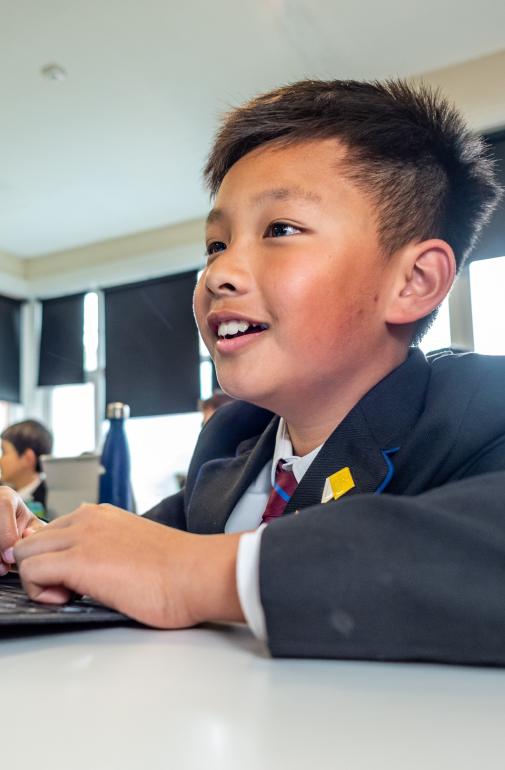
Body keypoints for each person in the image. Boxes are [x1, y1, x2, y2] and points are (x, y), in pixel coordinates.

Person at [1, 79, 504, 664]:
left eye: (280, 230)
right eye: (215, 245)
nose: (219, 275)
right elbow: (131, 551)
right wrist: (28, 538)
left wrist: (197, 573)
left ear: (413, 282)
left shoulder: (478, 408)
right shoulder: (231, 441)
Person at [0, 420, 53, 516]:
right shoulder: (3, 492)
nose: (1, 460)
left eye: (4, 452)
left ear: (27, 458)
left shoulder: (51, 501)